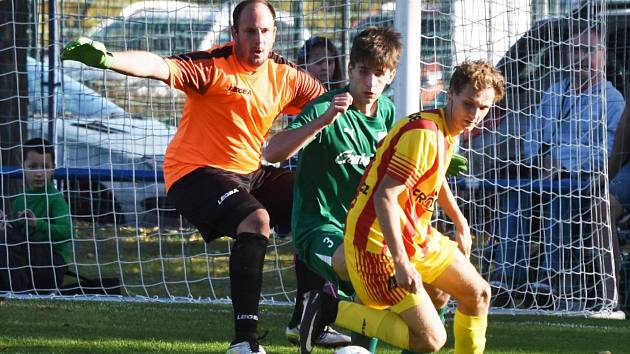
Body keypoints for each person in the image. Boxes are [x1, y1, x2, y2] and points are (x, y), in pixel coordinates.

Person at [61, 1, 326, 353]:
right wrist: (110, 59)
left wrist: (366, 98)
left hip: (249, 172)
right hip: (193, 173)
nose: (258, 40)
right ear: (235, 35)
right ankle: (244, 341)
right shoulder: (214, 66)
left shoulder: (286, 75)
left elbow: (329, 102)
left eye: (264, 31)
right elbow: (158, 65)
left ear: (275, 34)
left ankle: (307, 321)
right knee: (255, 220)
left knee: (312, 201)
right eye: (249, 31)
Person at [298, 59, 505, 354]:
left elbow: (434, 176)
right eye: (468, 104)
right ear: (451, 93)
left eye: (483, 108)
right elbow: (385, 197)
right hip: (375, 245)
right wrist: (400, 261)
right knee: (432, 340)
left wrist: (460, 222)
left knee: (478, 294)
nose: (474, 115)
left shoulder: (443, 128)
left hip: (415, 235)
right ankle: (329, 309)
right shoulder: (424, 133)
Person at [492, 25, 625, 308]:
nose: (581, 57)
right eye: (576, 50)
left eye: (589, 50)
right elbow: (532, 137)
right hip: (546, 174)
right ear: (567, 55)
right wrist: (540, 160)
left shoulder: (612, 100)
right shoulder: (554, 92)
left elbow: (610, 154)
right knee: (517, 190)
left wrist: (562, 161)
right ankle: (508, 276)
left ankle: (553, 277)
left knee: (562, 194)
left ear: (602, 56)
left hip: (583, 180)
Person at [276, 35, 351, 348]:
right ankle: (309, 318)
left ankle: (305, 320)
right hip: (288, 177)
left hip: (328, 187)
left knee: (318, 249)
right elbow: (280, 142)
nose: (324, 67)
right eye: (317, 61)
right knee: (309, 244)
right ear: (302, 63)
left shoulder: (341, 99)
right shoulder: (299, 95)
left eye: (329, 61)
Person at [0, 138, 73, 294]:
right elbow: (18, 237)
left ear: (53, 169)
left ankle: (17, 292)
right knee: (4, 236)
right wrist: (8, 224)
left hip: (52, 265)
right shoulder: (21, 199)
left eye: (45, 167)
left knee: (7, 240)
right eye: (33, 167)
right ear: (23, 167)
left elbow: (67, 232)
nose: (39, 173)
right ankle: (10, 288)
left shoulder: (55, 198)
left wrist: (37, 224)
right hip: (29, 264)